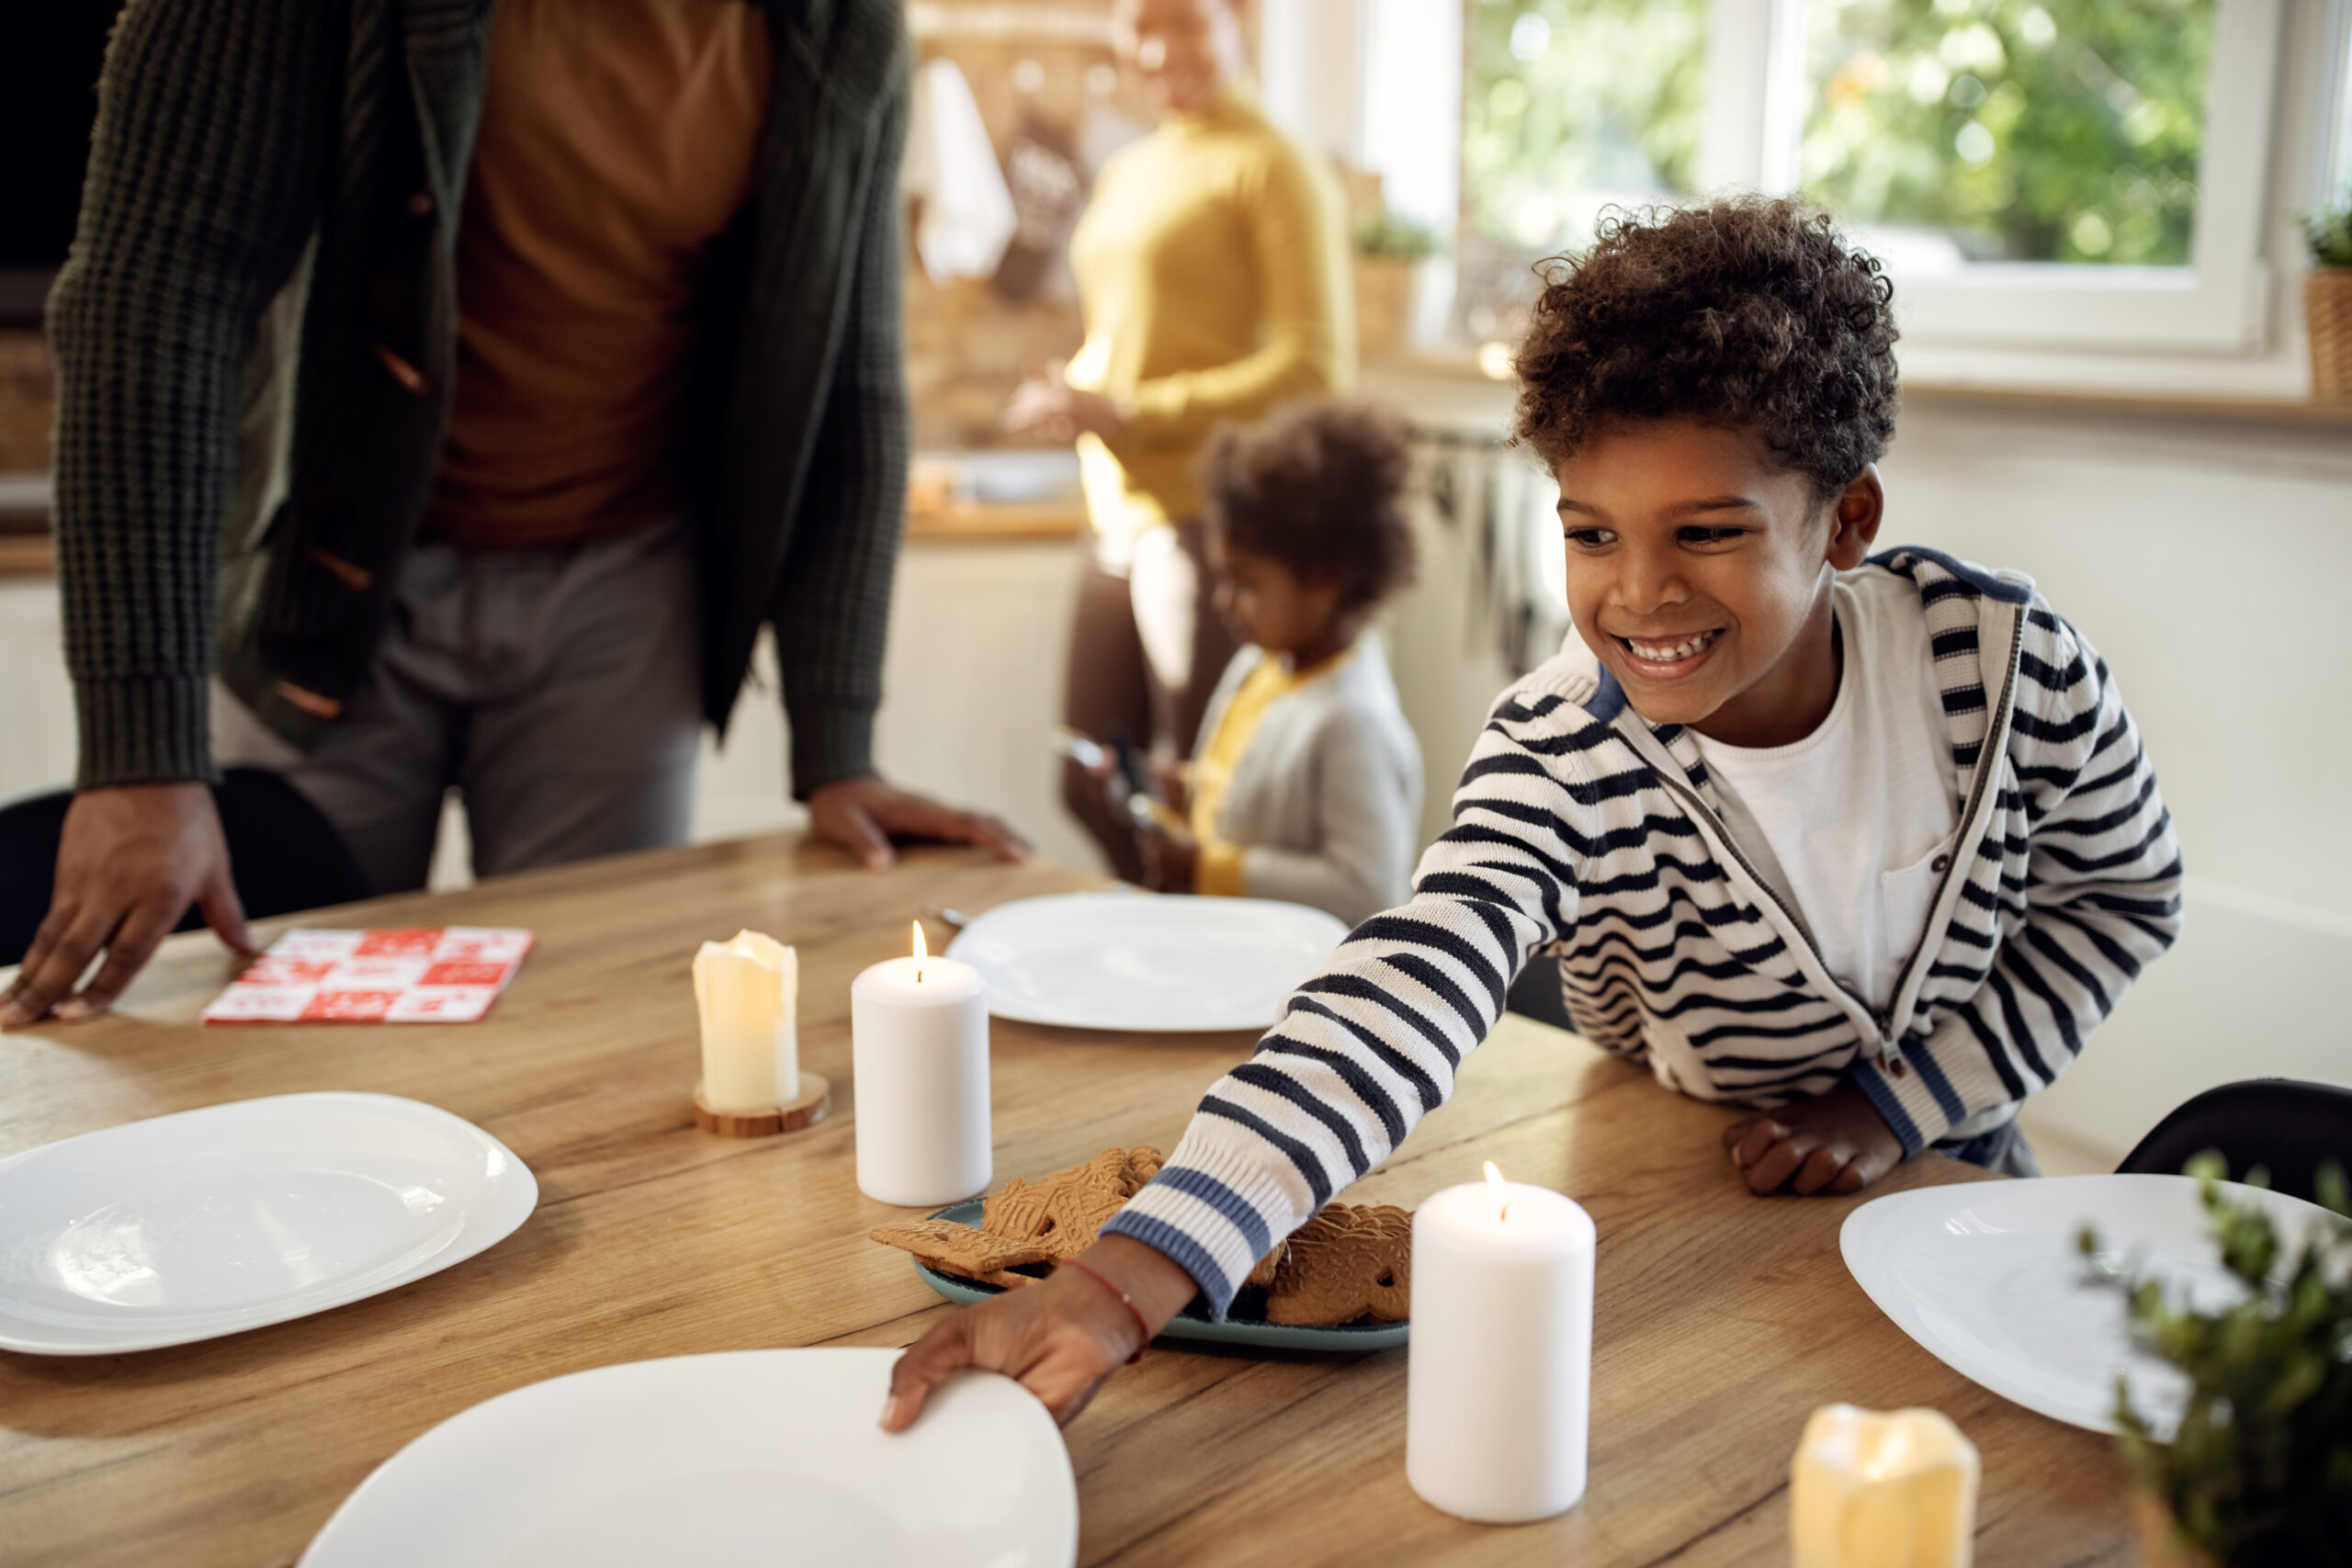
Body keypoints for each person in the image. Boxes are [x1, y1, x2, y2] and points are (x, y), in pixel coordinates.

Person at [876, 197, 2185, 1431]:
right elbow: (1413, 977)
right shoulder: (1566, 744)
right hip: (1697, 1193)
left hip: (1968, 1196)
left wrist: (1895, 1106)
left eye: (1707, 533)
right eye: (1592, 534)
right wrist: (1125, 1279)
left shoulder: (2005, 665)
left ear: (1847, 519)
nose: (1641, 595)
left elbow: (2124, 897)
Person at [2, 0, 1026, 1031]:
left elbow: (848, 381)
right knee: (279, 1025)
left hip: (623, 598)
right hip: (325, 588)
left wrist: (838, 748)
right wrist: (143, 756)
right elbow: (154, 296)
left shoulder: (841, 25)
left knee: (590, 1029)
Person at [1003, 0, 1352, 883]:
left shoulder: (1274, 164)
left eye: (1187, 20)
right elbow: (1134, 337)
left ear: (1239, 20)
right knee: (1088, 780)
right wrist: (1073, 389)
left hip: (1206, 522)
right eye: (1141, 23)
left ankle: (1197, 987)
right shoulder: (1131, 168)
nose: (1161, 47)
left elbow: (1314, 367)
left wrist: (1134, 408)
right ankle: (1147, 956)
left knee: (1195, 802)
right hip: (1116, 514)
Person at [1130, 402, 1421, 927]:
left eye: (1245, 583)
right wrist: (1188, 788)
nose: (1223, 601)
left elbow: (1366, 889)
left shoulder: (1355, 722)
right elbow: (1256, 785)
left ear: (1324, 581)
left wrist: (1206, 869)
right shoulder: (1258, 666)